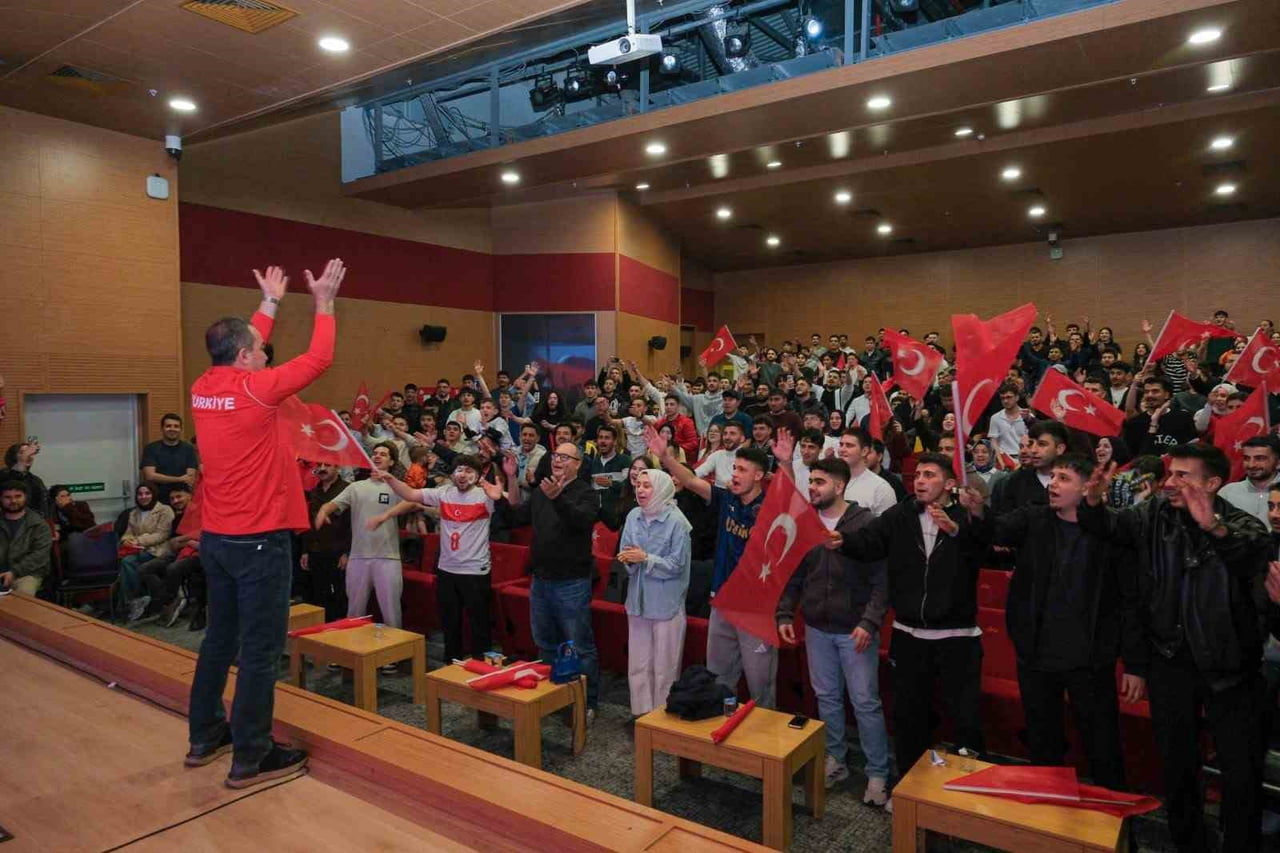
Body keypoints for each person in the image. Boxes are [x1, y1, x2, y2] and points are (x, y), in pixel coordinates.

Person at [186, 258, 346, 789]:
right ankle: (251, 755)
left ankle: (206, 734)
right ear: (244, 357)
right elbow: (320, 357)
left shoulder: (202, 387)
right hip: (258, 544)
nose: (263, 352)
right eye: (258, 349)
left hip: (216, 540)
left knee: (218, 641)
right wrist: (322, 300)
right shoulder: (256, 390)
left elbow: (243, 344)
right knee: (258, 651)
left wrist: (271, 303)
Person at [1080, 443, 1270, 853]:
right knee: (1177, 769)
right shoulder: (1153, 515)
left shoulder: (1242, 526)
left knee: (1241, 775)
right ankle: (1188, 843)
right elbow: (1110, 528)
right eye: (1171, 473)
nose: (1171, 482)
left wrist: (1213, 528)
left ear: (1213, 483)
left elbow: (1249, 553)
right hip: (1170, 662)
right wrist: (1093, 503)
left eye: (1183, 476)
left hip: (1230, 670)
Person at [962, 454, 1146, 791]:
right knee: (1042, 740)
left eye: (1063, 479)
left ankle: (1114, 826)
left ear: (1088, 487)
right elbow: (996, 530)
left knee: (1101, 743)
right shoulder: (1036, 518)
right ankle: (1047, 819)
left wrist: (1134, 662)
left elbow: (1132, 601)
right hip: (1036, 653)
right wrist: (977, 511)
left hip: (1089, 658)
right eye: (1053, 477)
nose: (1053, 485)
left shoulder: (1113, 531)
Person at [835, 453, 986, 788]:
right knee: (907, 718)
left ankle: (970, 795)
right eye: (916, 474)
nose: (919, 480)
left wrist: (960, 528)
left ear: (949, 484)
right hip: (909, 634)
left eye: (929, 475)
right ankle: (907, 786)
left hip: (957, 637)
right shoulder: (901, 513)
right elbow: (870, 542)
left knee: (965, 720)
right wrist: (842, 540)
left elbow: (986, 549)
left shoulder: (969, 518)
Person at [773, 452, 891, 804]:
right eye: (810, 481)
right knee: (826, 697)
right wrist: (783, 614)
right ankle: (837, 759)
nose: (812, 487)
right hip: (817, 628)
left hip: (854, 629)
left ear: (840, 486)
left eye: (819, 482)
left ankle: (877, 772)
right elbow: (794, 575)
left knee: (865, 702)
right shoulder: (806, 521)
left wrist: (869, 622)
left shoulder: (865, 524)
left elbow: (881, 582)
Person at [647, 425, 777, 707]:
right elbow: (693, 482)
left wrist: (789, 463)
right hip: (722, 601)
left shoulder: (771, 509)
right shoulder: (726, 499)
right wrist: (666, 458)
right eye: (734, 468)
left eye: (742, 470)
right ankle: (721, 737)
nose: (735, 474)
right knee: (719, 679)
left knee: (761, 686)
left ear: (758, 475)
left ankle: (764, 748)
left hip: (756, 608)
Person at [373, 453, 514, 663]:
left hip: (475, 571)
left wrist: (507, 486)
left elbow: (514, 504)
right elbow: (411, 494)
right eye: (459, 470)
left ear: (476, 475)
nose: (463, 475)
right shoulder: (444, 493)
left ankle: (481, 665)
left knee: (479, 623)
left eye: (469, 471)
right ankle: (451, 662)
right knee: (450, 622)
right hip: (447, 570)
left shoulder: (485, 495)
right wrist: (391, 479)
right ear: (453, 474)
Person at [507, 441, 601, 722]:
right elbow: (516, 515)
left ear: (578, 463)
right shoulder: (541, 491)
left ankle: (586, 702)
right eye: (555, 455)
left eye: (565, 456)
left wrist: (557, 497)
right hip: (541, 580)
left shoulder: (586, 492)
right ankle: (551, 697)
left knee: (580, 646)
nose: (558, 460)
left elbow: (580, 521)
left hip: (571, 583)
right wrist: (511, 478)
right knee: (545, 643)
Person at [315, 443, 404, 648]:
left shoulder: (396, 486)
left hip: (387, 557)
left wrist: (387, 514)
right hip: (358, 557)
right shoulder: (356, 487)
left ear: (391, 461)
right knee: (355, 610)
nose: (378, 456)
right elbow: (333, 504)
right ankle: (354, 651)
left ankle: (395, 653)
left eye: (383, 454)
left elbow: (412, 501)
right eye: (375, 453)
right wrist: (323, 511)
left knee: (391, 610)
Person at [618, 468, 691, 718]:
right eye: (638, 485)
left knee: (665, 668)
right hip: (637, 601)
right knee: (638, 664)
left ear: (661, 489)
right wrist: (628, 559)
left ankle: (662, 719)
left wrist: (646, 558)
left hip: (666, 605)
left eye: (647, 486)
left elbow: (677, 565)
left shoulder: (677, 522)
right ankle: (641, 715)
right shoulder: (633, 516)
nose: (640, 490)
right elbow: (625, 554)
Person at [116, 482, 175, 622]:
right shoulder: (134, 513)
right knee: (126, 561)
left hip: (160, 550)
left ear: (153, 494)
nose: (143, 497)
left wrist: (138, 541)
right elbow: (128, 533)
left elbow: (162, 534)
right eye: (140, 494)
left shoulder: (165, 510)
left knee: (130, 562)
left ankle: (134, 599)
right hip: (139, 549)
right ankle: (137, 599)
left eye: (147, 493)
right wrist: (126, 541)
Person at [300, 463, 351, 621]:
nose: (322, 469)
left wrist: (348, 552)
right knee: (317, 594)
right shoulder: (315, 491)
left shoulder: (348, 490)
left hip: (338, 551)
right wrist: (305, 551)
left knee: (339, 597)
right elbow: (309, 523)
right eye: (320, 466)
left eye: (327, 465)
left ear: (337, 467)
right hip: (316, 550)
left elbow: (352, 524)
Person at [992, 420, 1067, 516]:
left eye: (1042, 444)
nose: (1033, 450)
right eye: (1031, 444)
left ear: (1059, 449)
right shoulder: (1013, 482)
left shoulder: (1074, 482)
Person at [0, 480, 52, 596]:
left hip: (27, 573)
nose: (13, 501)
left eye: (18, 496)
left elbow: (40, 556)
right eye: (7, 497)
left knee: (23, 594)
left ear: (25, 497)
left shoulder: (39, 524)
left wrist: (14, 572)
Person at [1218, 436, 1280, 526]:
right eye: (1247, 458)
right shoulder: (1227, 492)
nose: (1251, 465)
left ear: (1278, 462)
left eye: (1259, 458)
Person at [140, 413, 200, 503]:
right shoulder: (151, 448)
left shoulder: (188, 448)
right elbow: (150, 476)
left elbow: (189, 478)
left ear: (180, 429)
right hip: (158, 500)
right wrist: (179, 479)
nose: (172, 429)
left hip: (181, 500)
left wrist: (163, 478)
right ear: (162, 428)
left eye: (176, 426)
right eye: (168, 426)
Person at [836, 427, 896, 516]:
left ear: (864, 451)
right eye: (841, 445)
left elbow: (887, 527)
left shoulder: (881, 489)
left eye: (849, 445)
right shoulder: (829, 479)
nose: (842, 450)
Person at [1, 442, 48, 518]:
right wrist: (22, 461)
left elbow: (44, 506)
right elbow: (16, 478)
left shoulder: (36, 480)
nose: (29, 456)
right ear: (13, 457)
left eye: (31, 454)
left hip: (34, 523)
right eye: (22, 452)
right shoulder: (4, 476)